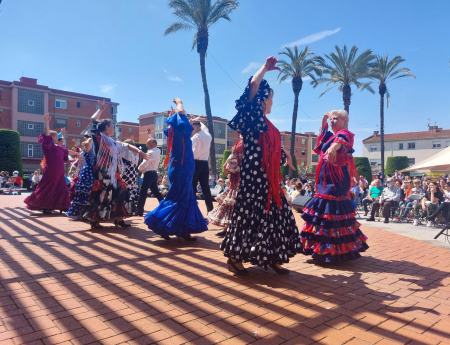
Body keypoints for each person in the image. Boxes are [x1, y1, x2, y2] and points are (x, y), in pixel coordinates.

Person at [221, 56, 302, 275]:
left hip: (269, 179)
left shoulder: (268, 125)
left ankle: (273, 255)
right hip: (254, 177)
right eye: (271, 99)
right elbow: (253, 85)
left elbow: (273, 148)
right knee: (250, 213)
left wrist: (285, 156)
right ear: (263, 99)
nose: (273, 103)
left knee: (275, 213)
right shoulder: (252, 116)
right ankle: (235, 258)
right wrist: (265, 69)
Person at [301, 110, 369, 262]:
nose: (332, 121)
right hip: (323, 179)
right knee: (322, 211)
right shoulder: (330, 136)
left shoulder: (346, 133)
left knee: (331, 210)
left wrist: (333, 147)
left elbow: (341, 140)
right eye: (331, 119)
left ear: (345, 121)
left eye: (335, 119)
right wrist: (324, 122)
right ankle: (320, 249)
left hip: (336, 178)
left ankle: (334, 251)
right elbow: (320, 141)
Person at [144, 98, 208, 240]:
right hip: (183, 166)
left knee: (175, 196)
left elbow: (183, 122)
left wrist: (192, 120)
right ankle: (180, 231)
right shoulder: (180, 130)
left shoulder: (173, 131)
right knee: (183, 197)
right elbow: (181, 112)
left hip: (178, 166)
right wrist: (179, 101)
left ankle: (170, 227)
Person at [82, 100, 146, 229]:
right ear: (107, 127)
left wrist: (140, 151)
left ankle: (118, 218)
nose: (114, 128)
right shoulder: (99, 138)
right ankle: (94, 220)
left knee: (121, 191)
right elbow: (93, 120)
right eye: (113, 125)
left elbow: (126, 145)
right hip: (102, 172)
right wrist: (100, 109)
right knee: (102, 195)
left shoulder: (112, 141)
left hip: (113, 173)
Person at [24, 113, 77, 214]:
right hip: (51, 170)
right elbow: (46, 134)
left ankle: (63, 205)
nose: (59, 137)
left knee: (62, 187)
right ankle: (46, 206)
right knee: (49, 187)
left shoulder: (58, 147)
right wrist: (47, 122)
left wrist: (76, 153)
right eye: (57, 135)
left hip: (60, 172)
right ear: (52, 137)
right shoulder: (48, 146)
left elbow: (66, 149)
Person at [207, 138, 244, 238]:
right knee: (231, 200)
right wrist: (225, 165)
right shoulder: (240, 141)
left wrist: (227, 165)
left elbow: (235, 155)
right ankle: (228, 227)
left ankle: (232, 227)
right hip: (237, 174)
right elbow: (233, 155)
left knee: (234, 200)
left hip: (241, 173)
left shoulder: (246, 141)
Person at [66, 140, 95, 219]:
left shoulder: (95, 150)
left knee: (88, 193)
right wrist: (74, 172)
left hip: (90, 172)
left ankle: (87, 213)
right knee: (84, 193)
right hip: (87, 173)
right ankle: (81, 213)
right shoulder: (85, 152)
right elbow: (77, 164)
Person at [137, 134, 164, 216]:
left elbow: (146, 162)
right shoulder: (157, 150)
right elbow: (151, 141)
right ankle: (164, 206)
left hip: (148, 174)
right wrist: (149, 134)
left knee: (143, 192)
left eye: (148, 144)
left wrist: (139, 168)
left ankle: (139, 211)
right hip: (153, 174)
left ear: (154, 145)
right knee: (156, 192)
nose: (146, 145)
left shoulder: (151, 152)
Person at [191, 117, 214, 213]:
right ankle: (210, 210)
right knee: (205, 187)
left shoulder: (195, 137)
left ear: (196, 127)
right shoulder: (208, 135)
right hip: (205, 163)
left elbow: (189, 149)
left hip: (195, 163)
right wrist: (197, 120)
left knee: (192, 186)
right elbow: (204, 127)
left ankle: (192, 210)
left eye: (192, 128)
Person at [120, 139, 140, 216]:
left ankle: (124, 208)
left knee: (124, 188)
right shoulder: (137, 153)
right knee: (130, 189)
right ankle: (130, 209)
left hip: (126, 171)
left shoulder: (127, 151)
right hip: (133, 172)